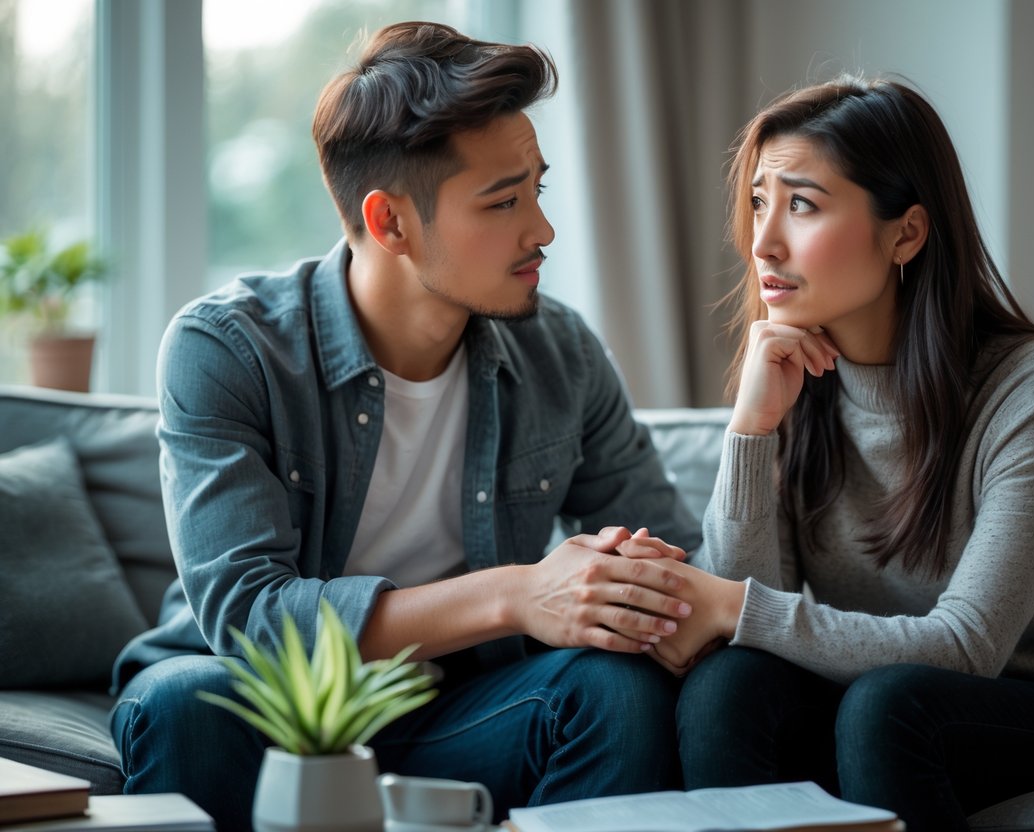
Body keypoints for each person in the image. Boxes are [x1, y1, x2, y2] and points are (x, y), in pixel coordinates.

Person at [109, 21, 701, 832]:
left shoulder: (557, 350)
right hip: (261, 710)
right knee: (185, 701)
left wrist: (635, 581)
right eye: (503, 201)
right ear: (389, 222)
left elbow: (673, 552)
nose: (542, 231)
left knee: (615, 693)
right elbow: (250, 615)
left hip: (461, 711)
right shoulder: (227, 349)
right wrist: (518, 594)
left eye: (537, 188)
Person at [624, 75, 1034, 829]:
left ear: (906, 233)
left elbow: (967, 647)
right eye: (759, 201)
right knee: (728, 689)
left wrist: (730, 607)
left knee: (888, 704)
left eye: (802, 203)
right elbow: (737, 619)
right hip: (888, 698)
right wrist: (751, 428)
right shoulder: (791, 379)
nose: (761, 241)